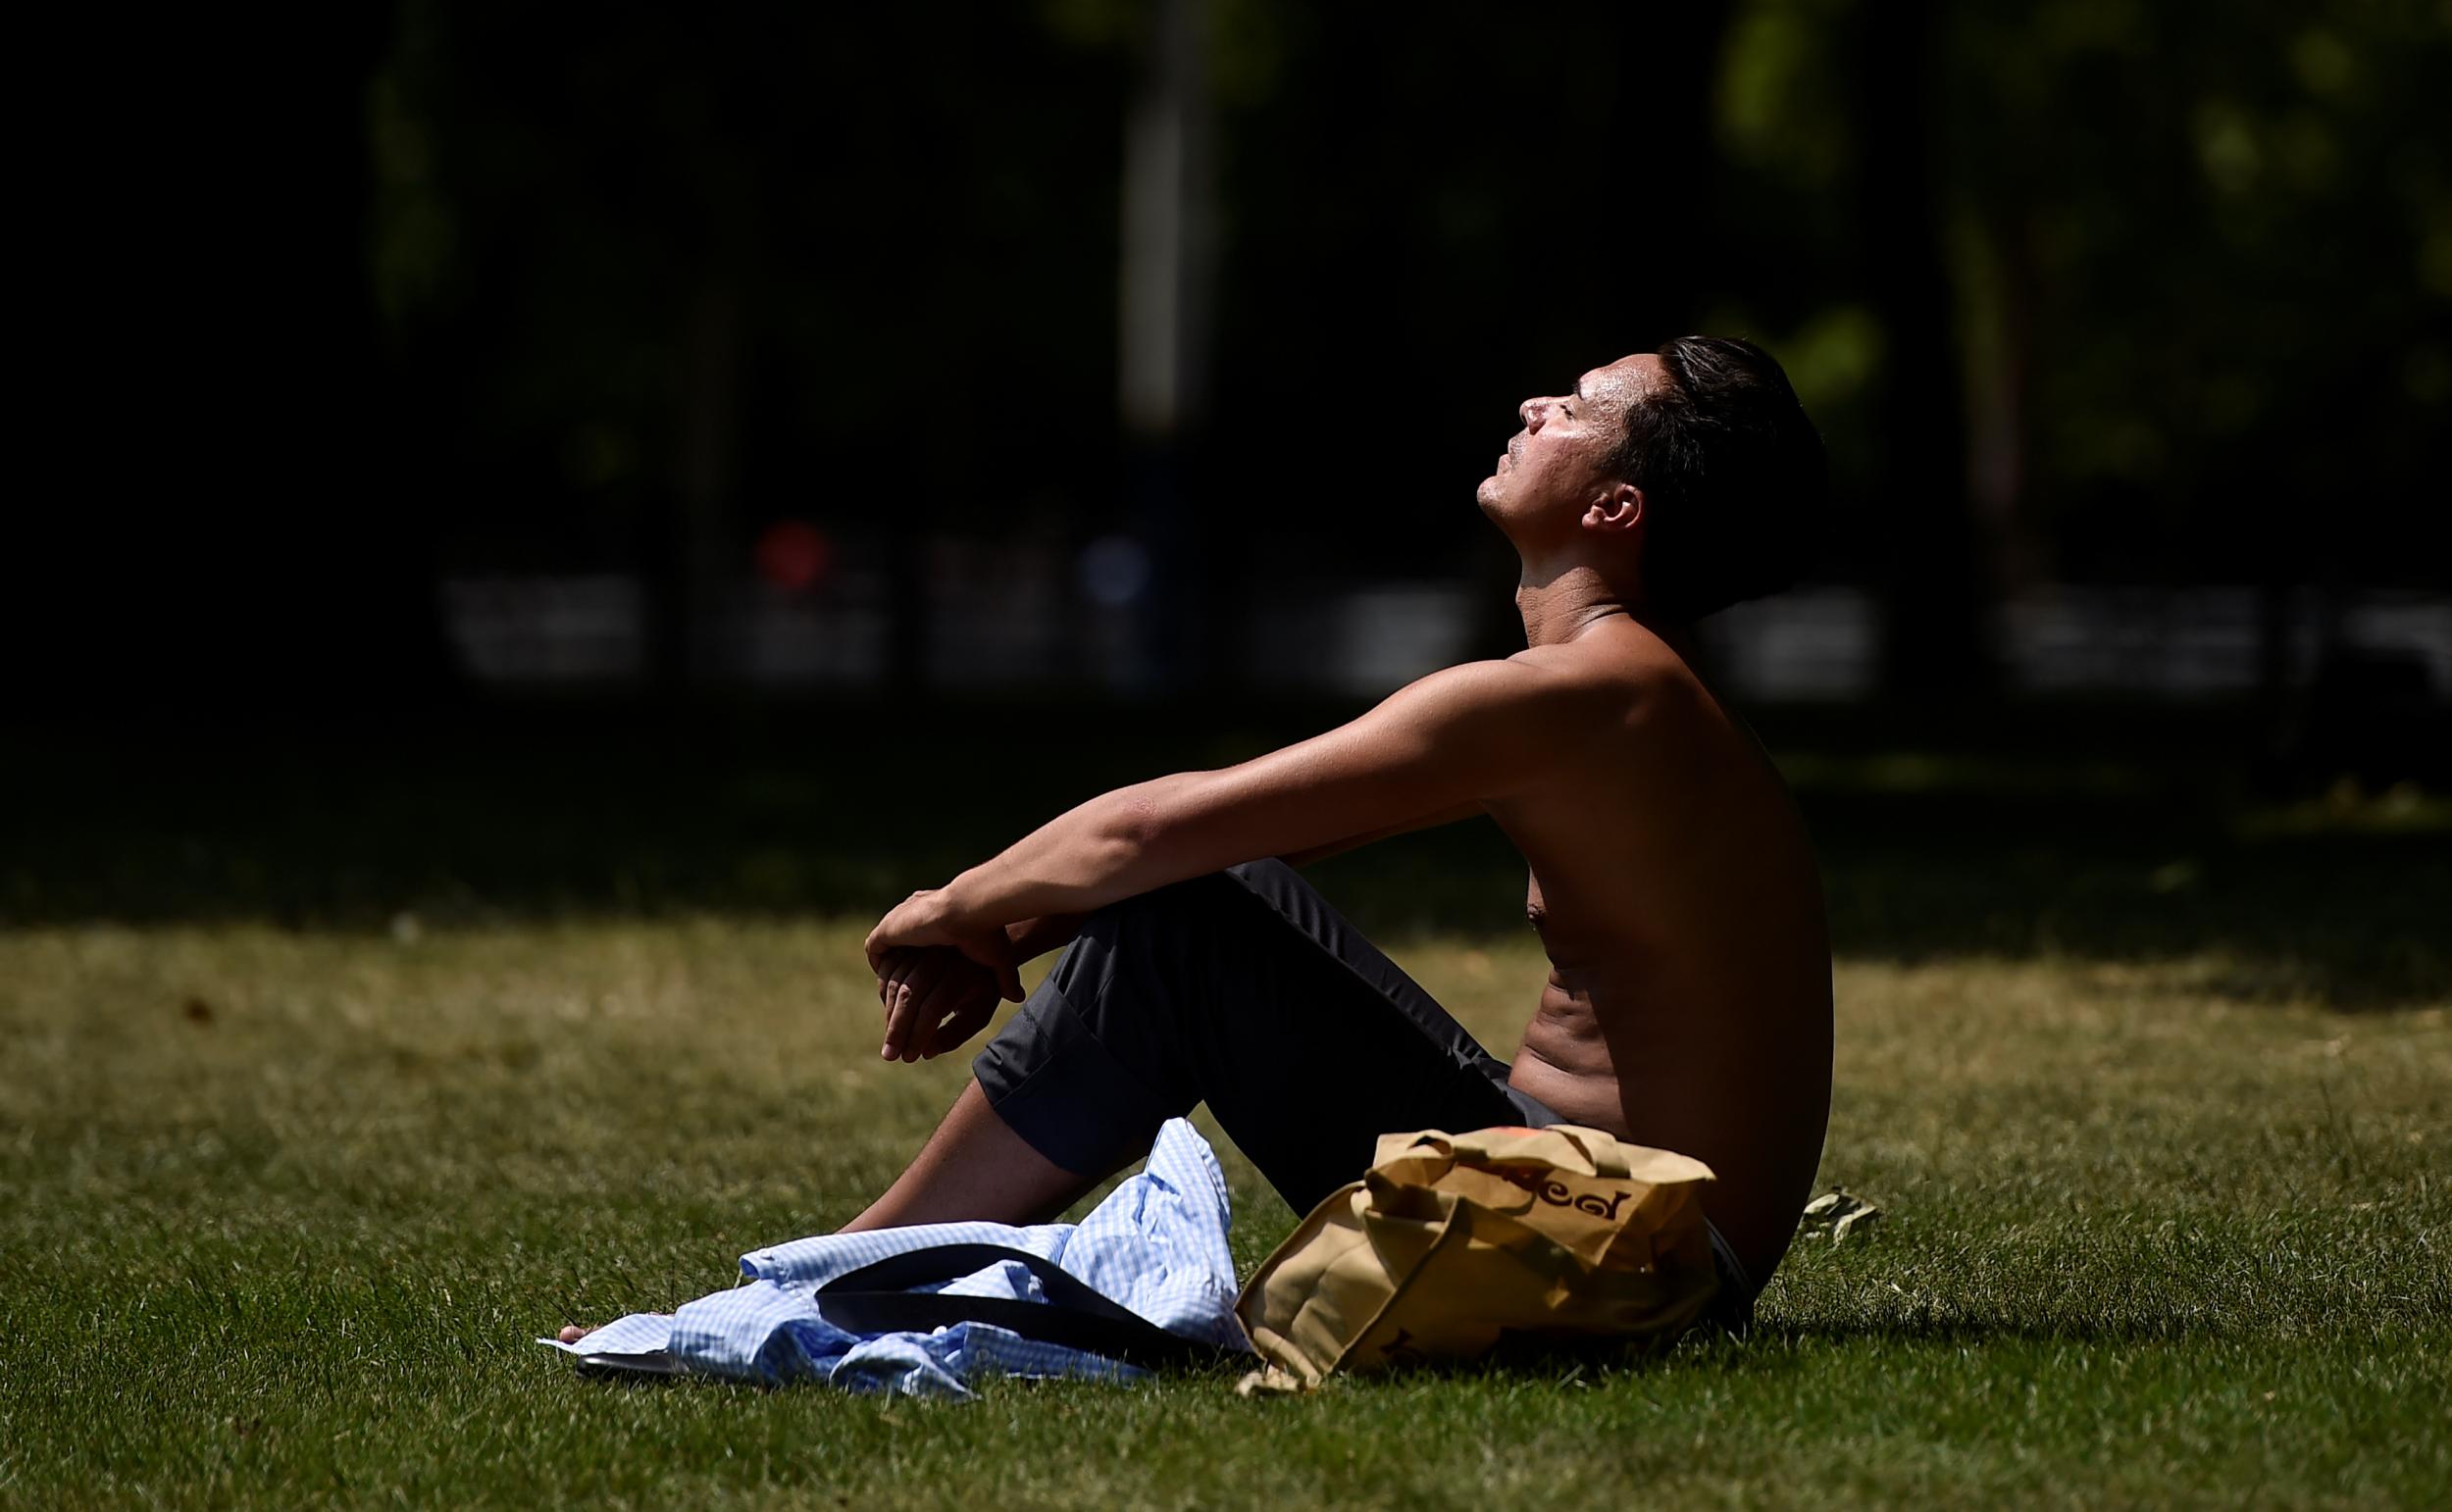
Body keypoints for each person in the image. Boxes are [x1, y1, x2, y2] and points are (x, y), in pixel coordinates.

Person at [561, 334, 1832, 1345]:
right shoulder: (1620, 697)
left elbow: (1161, 823)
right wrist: (1036, 917)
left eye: (1577, 407)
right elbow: (1263, 839)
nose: (1536, 403)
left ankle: (826, 1285)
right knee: (1196, 905)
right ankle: (845, 1276)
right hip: (1597, 1219)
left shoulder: (1587, 695)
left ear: (1615, 510)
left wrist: (950, 906)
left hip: (1623, 1261)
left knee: (1182, 919)